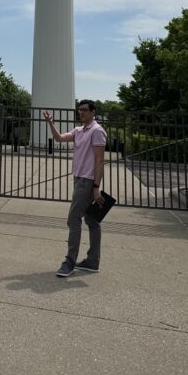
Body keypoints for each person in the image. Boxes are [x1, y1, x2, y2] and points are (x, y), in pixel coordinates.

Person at [43, 100, 107, 277]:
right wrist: (50, 123)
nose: (82, 113)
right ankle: (92, 262)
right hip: (79, 179)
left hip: (87, 182)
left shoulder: (97, 131)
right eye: (80, 110)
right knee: (92, 221)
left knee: (73, 220)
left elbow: (100, 161)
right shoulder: (79, 130)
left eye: (85, 110)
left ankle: (69, 262)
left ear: (93, 112)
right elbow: (59, 138)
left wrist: (96, 187)